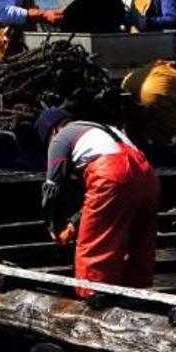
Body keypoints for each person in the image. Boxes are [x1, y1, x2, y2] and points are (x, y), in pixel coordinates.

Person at [35, 106, 159, 297]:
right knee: (139, 240)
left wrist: (52, 224)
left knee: (94, 246)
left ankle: (94, 298)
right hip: (147, 175)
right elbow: (97, 201)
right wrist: (74, 222)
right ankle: (137, 293)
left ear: (52, 130)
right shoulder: (102, 129)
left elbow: (52, 189)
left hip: (111, 173)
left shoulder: (60, 138)